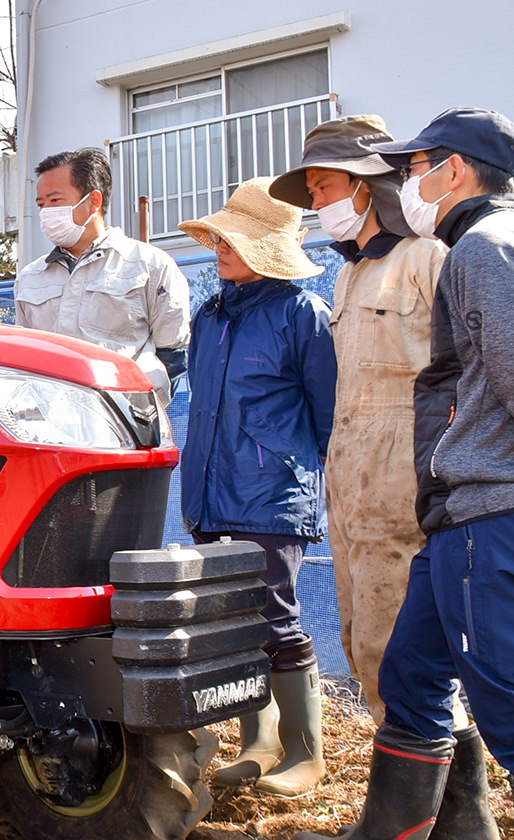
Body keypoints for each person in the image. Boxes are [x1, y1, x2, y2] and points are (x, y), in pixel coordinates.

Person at [296, 108, 514, 840]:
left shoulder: (478, 250)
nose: (409, 181)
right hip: (452, 508)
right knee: (408, 672)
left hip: (489, 505)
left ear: (455, 170)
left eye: (416, 167)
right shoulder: (484, 246)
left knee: (512, 701)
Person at [267, 116, 450, 729]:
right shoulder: (348, 274)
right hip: (351, 486)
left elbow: (463, 369)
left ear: (367, 185)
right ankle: (435, 807)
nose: (317, 205)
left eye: (323, 188)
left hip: (407, 484)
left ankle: (427, 806)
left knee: (406, 649)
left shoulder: (429, 257)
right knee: (363, 638)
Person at [178, 177, 336, 797]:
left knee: (276, 615)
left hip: (271, 495)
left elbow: (330, 416)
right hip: (214, 489)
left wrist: (311, 483)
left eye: (233, 239)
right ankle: (260, 742)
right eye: (220, 235)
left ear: (269, 249)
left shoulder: (303, 314)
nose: (219, 245)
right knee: (235, 619)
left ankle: (305, 751)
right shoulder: (209, 314)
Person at [15, 147, 190, 407]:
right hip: (50, 428)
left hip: (123, 428)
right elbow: (24, 358)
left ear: (93, 201)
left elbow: (173, 354)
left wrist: (141, 413)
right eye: (41, 205)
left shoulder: (150, 265)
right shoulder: (30, 277)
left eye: (55, 201)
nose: (46, 214)